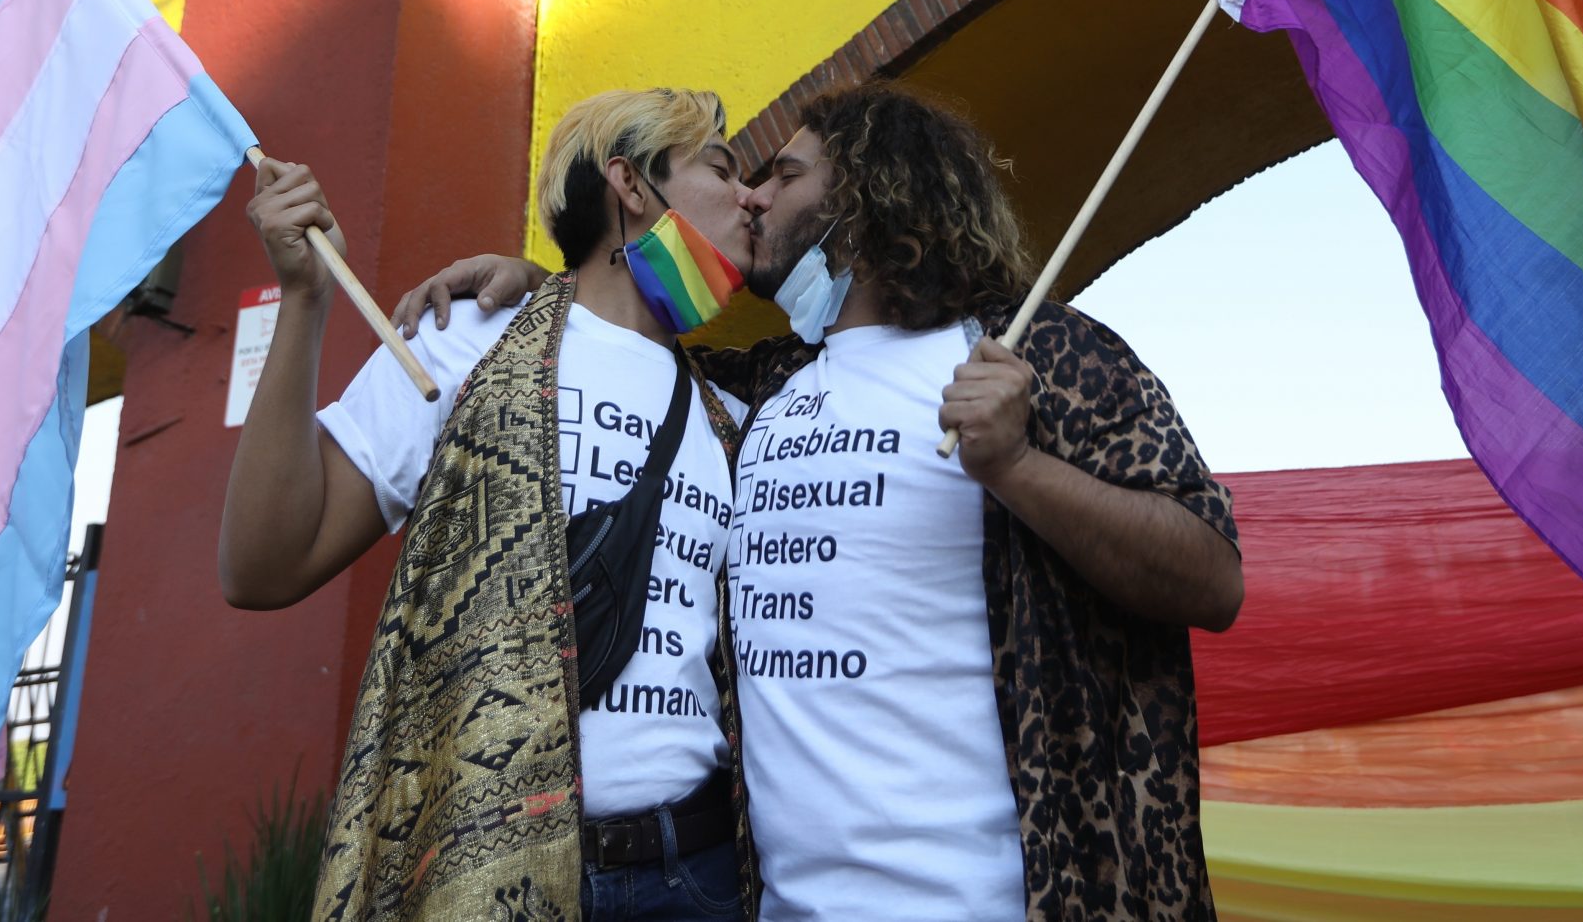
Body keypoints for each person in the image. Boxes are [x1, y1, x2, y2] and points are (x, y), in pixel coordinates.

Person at [398, 81, 1244, 922]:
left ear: (870, 196)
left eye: (785, 176)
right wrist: (550, 288)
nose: (752, 197)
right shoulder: (755, 388)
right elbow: (615, 336)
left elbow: (1211, 577)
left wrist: (1018, 466)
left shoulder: (1032, 351)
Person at [222, 87, 765, 922]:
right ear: (630, 183)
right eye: (722, 169)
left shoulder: (733, 413)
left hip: (692, 878)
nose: (749, 198)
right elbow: (264, 565)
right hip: (485, 875)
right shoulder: (470, 339)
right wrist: (304, 302)